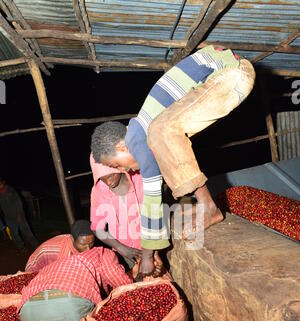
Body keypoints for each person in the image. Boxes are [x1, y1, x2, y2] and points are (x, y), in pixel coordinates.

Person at [90, 45, 255, 278]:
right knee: (165, 136)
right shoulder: (144, 127)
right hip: (229, 75)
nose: (124, 170)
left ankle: (209, 208)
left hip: (231, 74)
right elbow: (173, 161)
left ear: (121, 147)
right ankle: (205, 205)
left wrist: (147, 258)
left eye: (117, 164)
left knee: (162, 132)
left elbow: (152, 200)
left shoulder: (138, 137)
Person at [18, 246, 132, 321]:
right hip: (68, 306)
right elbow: (123, 285)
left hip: (28, 313)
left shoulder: (66, 261)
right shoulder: (104, 253)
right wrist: (135, 277)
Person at [90, 153, 142, 268]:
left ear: (118, 167)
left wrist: (151, 251)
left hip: (150, 242)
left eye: (109, 176)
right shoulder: (98, 191)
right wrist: (121, 248)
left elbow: (154, 214)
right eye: (102, 179)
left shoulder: (139, 179)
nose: (108, 183)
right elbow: (97, 228)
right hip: (124, 251)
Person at [25, 219, 95, 273]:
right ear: (72, 238)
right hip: (37, 272)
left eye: (91, 243)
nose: (88, 249)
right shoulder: (63, 255)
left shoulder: (78, 241)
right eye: (83, 244)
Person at [0, 177, 38, 253]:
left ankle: (36, 245)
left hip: (18, 214)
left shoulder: (10, 190)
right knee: (13, 233)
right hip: (9, 217)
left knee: (26, 231)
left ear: (3, 183)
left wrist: (19, 213)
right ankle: (21, 247)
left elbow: (18, 202)